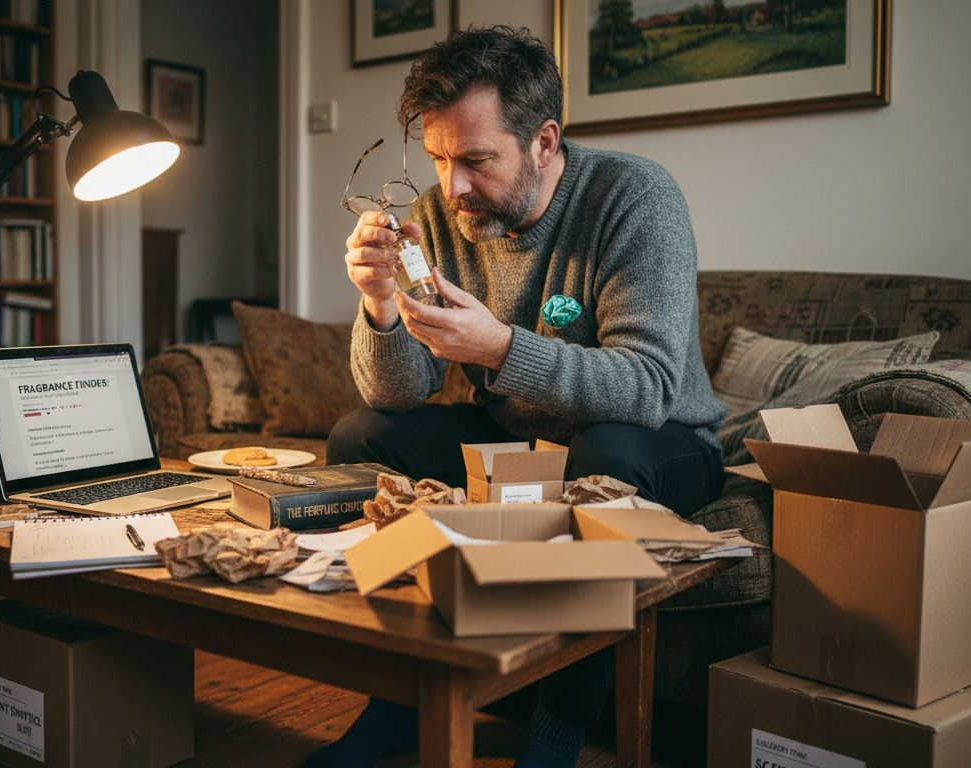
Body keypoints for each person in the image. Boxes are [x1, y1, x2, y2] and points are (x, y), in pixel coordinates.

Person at [308, 25, 727, 768]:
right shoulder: (442, 215)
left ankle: (562, 719)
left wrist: (499, 348)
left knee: (602, 457)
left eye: (475, 160)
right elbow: (398, 395)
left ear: (543, 142)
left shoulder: (635, 196)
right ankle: (400, 697)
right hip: (523, 443)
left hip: (663, 442)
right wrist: (378, 304)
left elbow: (649, 388)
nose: (453, 187)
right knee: (361, 436)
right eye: (438, 159)